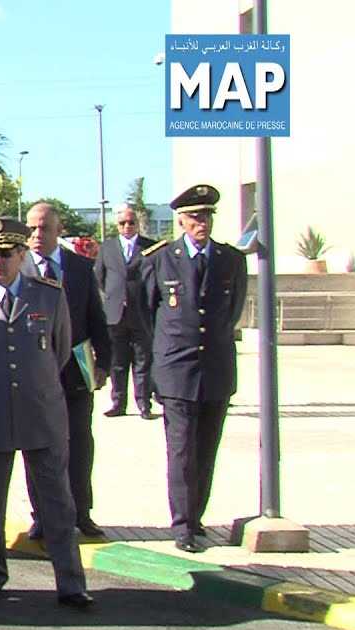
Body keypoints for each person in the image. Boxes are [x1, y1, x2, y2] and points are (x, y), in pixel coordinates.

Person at [0, 217, 94, 613]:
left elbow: (58, 353)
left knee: (58, 502)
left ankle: (71, 582)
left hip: (40, 411)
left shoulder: (49, 296)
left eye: (5, 254)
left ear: (22, 255)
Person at [140, 184, 247, 553]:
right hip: (176, 369)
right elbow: (146, 313)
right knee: (181, 451)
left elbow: (231, 312)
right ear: (181, 221)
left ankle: (196, 516)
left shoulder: (230, 259)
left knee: (205, 450)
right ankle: (182, 524)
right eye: (196, 217)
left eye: (208, 216)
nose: (203, 223)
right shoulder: (161, 259)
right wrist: (162, 355)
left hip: (216, 368)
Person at [22, 203, 112, 539]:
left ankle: (81, 512)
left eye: (44, 228)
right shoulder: (20, 267)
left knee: (78, 443)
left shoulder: (78, 268)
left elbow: (95, 316)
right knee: (38, 445)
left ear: (59, 230)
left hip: (75, 371)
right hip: (34, 375)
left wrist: (104, 362)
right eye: (31, 228)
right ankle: (42, 515)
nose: (36, 235)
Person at [96, 205, 160, 419]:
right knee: (117, 362)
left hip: (142, 313)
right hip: (115, 314)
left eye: (131, 222)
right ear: (117, 224)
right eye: (122, 223)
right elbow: (100, 277)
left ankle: (144, 404)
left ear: (137, 224)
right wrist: (116, 297)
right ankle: (118, 403)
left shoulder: (151, 247)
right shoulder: (108, 247)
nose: (127, 226)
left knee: (143, 362)